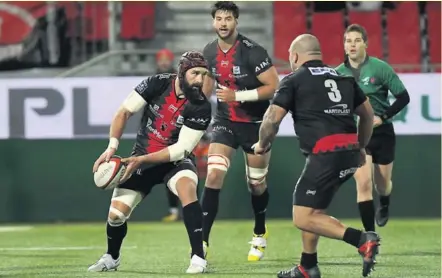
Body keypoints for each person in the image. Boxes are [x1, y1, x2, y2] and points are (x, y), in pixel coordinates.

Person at [253, 34, 380, 278]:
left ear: (295, 56)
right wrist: (362, 146)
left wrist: (262, 143)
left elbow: (271, 119)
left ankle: (362, 240)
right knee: (312, 208)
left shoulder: (293, 80)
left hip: (326, 153)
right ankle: (307, 266)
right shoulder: (343, 77)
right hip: (350, 152)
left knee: (302, 216)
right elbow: (367, 114)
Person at [88, 51, 212, 274]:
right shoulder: (157, 83)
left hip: (175, 162)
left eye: (204, 74)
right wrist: (112, 147)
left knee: (187, 189)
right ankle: (111, 257)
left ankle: (198, 257)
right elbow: (124, 111)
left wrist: (140, 159)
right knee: (116, 217)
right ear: (182, 72)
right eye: (195, 73)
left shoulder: (201, 106)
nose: (200, 80)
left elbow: (181, 149)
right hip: (142, 158)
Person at [200, 1, 280, 261]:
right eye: (219, 19)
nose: (223, 23)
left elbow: (272, 86)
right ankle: (201, 242)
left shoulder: (253, 52)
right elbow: (208, 88)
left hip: (256, 126)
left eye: (228, 19)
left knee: (256, 184)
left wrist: (238, 95)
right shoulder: (209, 52)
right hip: (225, 123)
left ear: (236, 22)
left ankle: (259, 232)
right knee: (213, 175)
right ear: (213, 22)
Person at [336, 24, 410, 231]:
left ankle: (384, 202)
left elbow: (404, 97)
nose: (352, 45)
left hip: (382, 133)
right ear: (344, 45)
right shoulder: (338, 74)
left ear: (365, 44)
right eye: (348, 41)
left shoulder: (380, 68)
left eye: (357, 40)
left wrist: (383, 116)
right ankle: (370, 236)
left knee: (382, 184)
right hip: (357, 136)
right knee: (364, 183)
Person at [154, 48, 182, 223]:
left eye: (167, 59)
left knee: (186, 172)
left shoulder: (179, 79)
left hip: (180, 130)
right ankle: (174, 210)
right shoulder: (153, 81)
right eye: (161, 59)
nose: (164, 62)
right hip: (162, 133)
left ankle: (191, 208)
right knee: (168, 174)